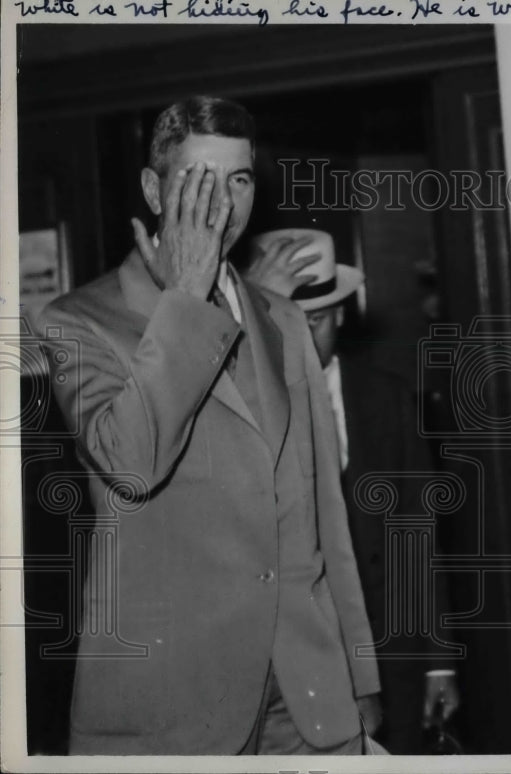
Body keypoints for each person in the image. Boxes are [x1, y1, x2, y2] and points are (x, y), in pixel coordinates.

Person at [38, 96, 383, 755]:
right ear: (153, 188)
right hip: (176, 710)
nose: (223, 203)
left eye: (240, 179)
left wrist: (358, 671)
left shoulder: (282, 319)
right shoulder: (76, 320)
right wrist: (186, 299)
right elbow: (131, 465)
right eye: (200, 179)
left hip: (307, 699)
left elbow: (321, 518)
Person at [247, 232, 461, 754]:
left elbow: (419, 536)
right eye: (281, 322)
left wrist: (437, 659)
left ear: (340, 314)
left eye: (313, 321)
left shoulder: (387, 399)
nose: (297, 338)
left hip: (395, 658)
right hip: (292, 669)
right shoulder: (244, 411)